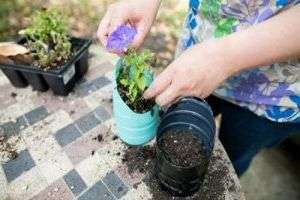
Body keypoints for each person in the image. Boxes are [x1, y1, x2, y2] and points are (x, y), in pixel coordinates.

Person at [97, 0, 300, 176]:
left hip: (272, 92)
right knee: (176, 134)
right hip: (195, 61)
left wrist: (225, 57)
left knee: (232, 159)